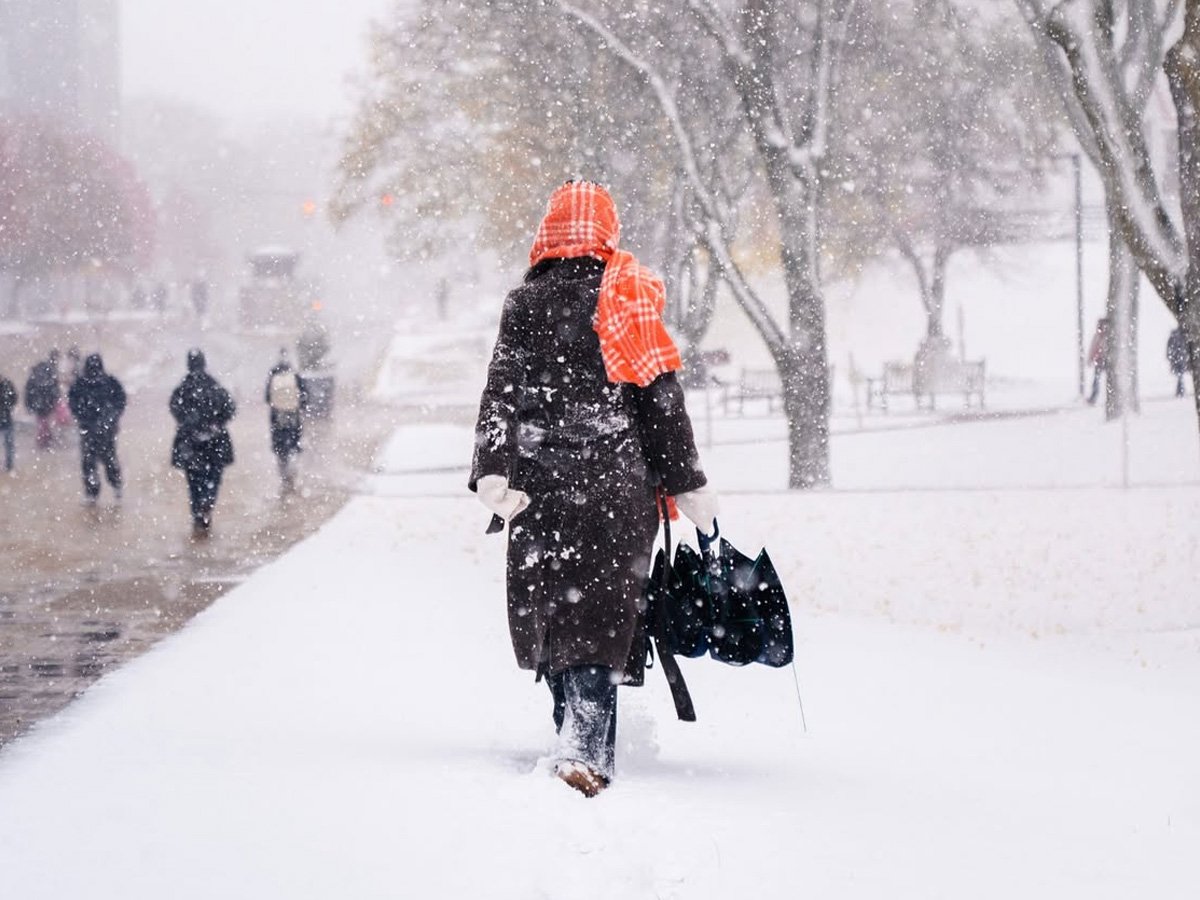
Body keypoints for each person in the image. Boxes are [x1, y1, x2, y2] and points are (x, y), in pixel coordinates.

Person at [469, 181, 719, 798]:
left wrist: (494, 470)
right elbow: (660, 399)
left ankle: (577, 741)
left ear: (549, 233)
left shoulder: (524, 304)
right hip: (616, 487)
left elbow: (503, 392)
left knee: (553, 613)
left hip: (542, 489)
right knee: (603, 621)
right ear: (606, 231)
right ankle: (581, 745)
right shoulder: (626, 295)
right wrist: (686, 483)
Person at [169, 350, 236, 534]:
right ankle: (208, 503)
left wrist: (189, 425)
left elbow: (174, 408)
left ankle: (197, 514)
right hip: (216, 442)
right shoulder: (214, 386)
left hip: (190, 443)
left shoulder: (183, 388)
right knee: (213, 476)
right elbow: (229, 407)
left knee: (193, 481)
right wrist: (217, 424)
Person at [67, 354, 127, 504]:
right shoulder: (83, 384)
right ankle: (96, 492)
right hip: (91, 430)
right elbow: (72, 402)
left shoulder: (107, 382)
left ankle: (112, 488)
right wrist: (82, 416)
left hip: (103, 430)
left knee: (105, 461)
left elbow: (120, 400)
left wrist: (111, 417)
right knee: (93, 462)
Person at [265, 350, 306, 490]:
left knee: (280, 450)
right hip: (293, 418)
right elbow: (305, 397)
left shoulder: (273, 375)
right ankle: (292, 472)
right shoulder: (294, 375)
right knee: (294, 446)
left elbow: (267, 398)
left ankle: (283, 476)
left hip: (277, 419)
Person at [24, 350, 62, 449]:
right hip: (48, 403)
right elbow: (55, 389)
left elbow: (28, 392)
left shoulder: (33, 378)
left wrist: (29, 406)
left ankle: (43, 441)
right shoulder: (49, 376)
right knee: (47, 422)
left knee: (42, 423)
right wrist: (55, 400)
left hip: (39, 404)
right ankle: (46, 440)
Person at [1086, 316, 1111, 405]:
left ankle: (1110, 396)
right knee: (1096, 379)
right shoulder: (1097, 336)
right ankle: (1093, 397)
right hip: (1099, 359)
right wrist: (1090, 359)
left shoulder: (1108, 337)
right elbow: (1093, 348)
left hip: (1107, 360)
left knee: (1108, 379)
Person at [1167, 327, 1191, 398]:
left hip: (1178, 358)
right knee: (1180, 375)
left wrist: (1170, 356)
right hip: (1180, 358)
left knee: (1180, 375)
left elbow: (1169, 348)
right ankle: (1181, 390)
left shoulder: (1174, 335)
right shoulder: (1183, 335)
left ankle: (1180, 390)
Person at [0, 371, 17, 472]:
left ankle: (9, 464)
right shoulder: (7, 384)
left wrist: (7, 407)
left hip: (6, 418)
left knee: (9, 442)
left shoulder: (7, 384)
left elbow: (14, 397)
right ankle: (9, 464)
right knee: (9, 442)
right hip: (6, 417)